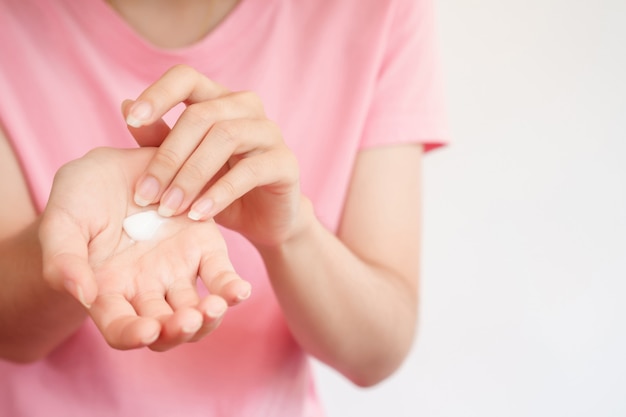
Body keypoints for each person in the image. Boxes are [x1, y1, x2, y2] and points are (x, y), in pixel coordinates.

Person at [0, 0, 447, 415]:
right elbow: (11, 336)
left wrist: (291, 232)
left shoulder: (379, 12)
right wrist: (68, 250)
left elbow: (375, 353)